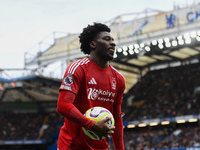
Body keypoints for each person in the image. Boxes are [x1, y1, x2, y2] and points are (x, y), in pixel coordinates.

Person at [57, 22, 125, 150]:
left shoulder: (119, 79)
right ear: (93, 44)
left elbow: (117, 119)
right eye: (107, 39)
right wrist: (91, 125)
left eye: (113, 40)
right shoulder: (78, 69)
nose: (113, 43)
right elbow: (63, 105)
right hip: (72, 146)